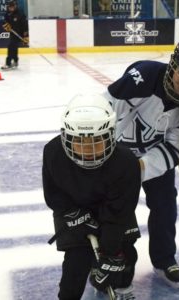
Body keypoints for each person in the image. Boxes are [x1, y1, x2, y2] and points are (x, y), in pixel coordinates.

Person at [104, 33, 179, 287]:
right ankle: (113, 260)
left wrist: (140, 168)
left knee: (165, 206)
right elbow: (106, 110)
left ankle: (164, 258)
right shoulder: (143, 77)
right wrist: (106, 160)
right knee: (116, 211)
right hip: (118, 158)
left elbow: (173, 149)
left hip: (153, 162)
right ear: (173, 64)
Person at [42, 94, 141, 299]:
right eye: (79, 141)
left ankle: (115, 283)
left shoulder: (126, 162)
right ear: (67, 136)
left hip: (113, 211)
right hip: (72, 209)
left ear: (111, 134)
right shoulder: (53, 152)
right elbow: (54, 195)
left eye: (97, 141)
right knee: (75, 265)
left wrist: (110, 250)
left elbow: (121, 209)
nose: (89, 150)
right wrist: (73, 214)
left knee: (124, 259)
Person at [1, 0, 29, 70]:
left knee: (11, 47)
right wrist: (5, 25)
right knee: (14, 47)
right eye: (10, 7)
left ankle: (8, 63)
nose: (11, 9)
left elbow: (25, 25)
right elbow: (4, 21)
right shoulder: (8, 13)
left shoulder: (20, 13)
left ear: (15, 6)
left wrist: (26, 36)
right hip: (13, 33)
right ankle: (15, 61)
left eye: (12, 7)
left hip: (20, 33)